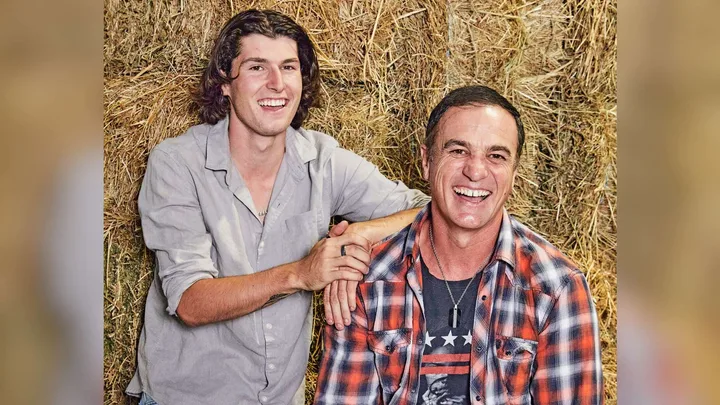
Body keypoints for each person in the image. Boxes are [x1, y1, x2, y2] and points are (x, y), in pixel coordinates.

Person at [125, 9, 429, 405]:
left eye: (289, 67)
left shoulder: (323, 161)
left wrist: (359, 235)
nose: (277, 83)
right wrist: (302, 273)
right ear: (225, 85)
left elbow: (430, 210)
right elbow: (189, 301)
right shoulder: (178, 164)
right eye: (257, 67)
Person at [315, 85, 604, 405]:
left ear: (513, 175)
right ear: (426, 161)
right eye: (458, 151)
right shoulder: (368, 280)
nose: (475, 171)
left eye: (496, 156)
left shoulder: (556, 286)